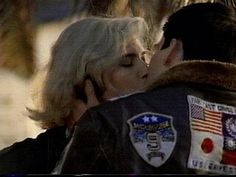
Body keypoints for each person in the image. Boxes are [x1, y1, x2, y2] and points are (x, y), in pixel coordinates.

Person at [56, 3, 236, 174]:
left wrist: (98, 129)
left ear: (172, 51)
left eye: (155, 51)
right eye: (127, 62)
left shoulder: (111, 121)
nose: (146, 68)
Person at [0, 16, 152, 174]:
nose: (146, 70)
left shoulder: (157, 149)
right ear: (84, 84)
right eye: (127, 62)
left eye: (144, 59)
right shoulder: (19, 163)